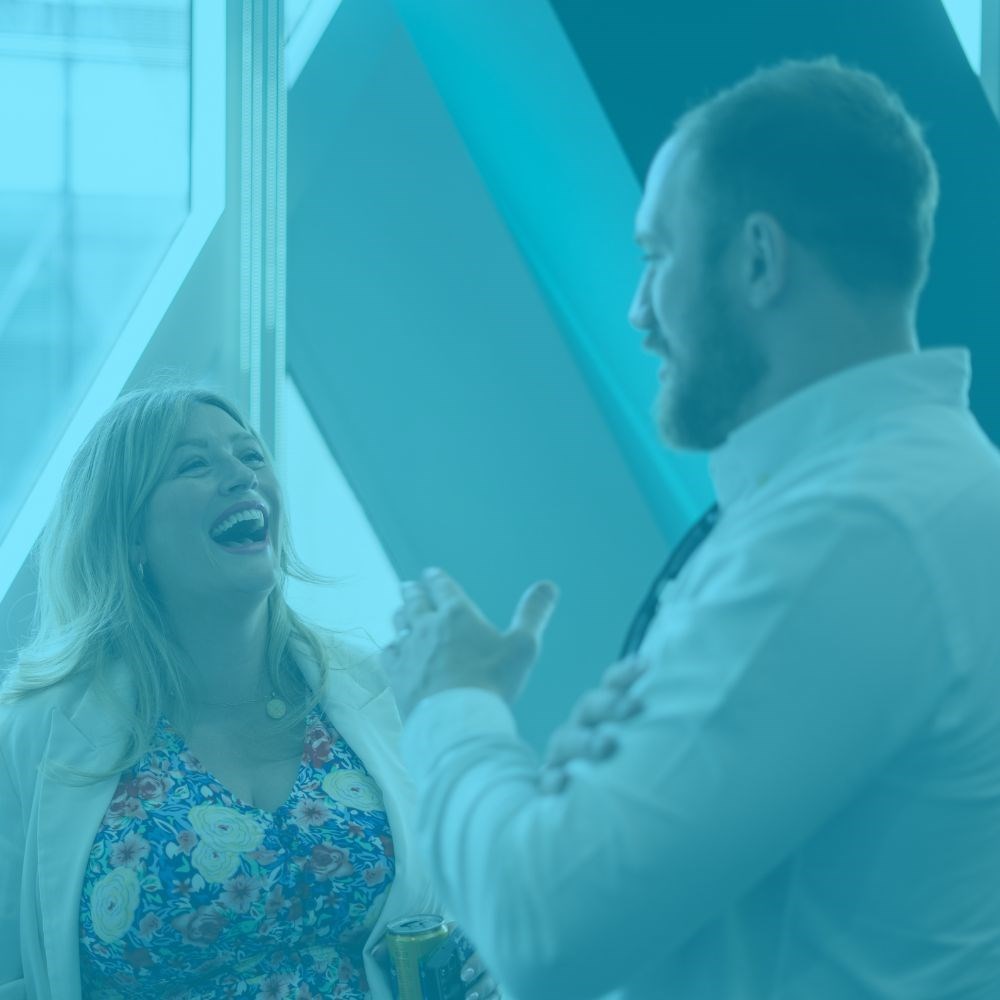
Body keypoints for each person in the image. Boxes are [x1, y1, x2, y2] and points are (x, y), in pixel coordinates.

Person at [381, 57, 1000, 999]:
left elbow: (540, 932)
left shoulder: (843, 533)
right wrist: (590, 803)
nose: (637, 310)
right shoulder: (934, 487)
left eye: (657, 255)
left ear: (759, 259)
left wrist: (452, 704)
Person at [0, 383, 507, 1000]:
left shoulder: (376, 691)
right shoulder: (34, 733)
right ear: (128, 536)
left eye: (251, 455)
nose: (241, 477)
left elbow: (461, 896)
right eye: (194, 464)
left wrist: (483, 943)